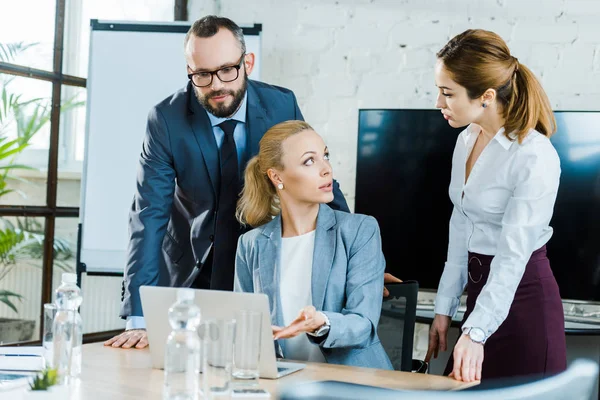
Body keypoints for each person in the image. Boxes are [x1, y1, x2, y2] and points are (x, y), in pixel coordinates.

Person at [104, 16, 350, 350]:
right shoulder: (166, 119)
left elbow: (315, 178)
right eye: (202, 75)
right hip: (192, 266)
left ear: (247, 63)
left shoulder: (281, 104)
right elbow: (148, 215)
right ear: (190, 71)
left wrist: (356, 261)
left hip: (260, 264)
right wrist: (139, 317)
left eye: (227, 70)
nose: (216, 85)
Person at [425, 29, 566, 382]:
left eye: (447, 93)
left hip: (523, 302)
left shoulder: (534, 156)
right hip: (480, 299)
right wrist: (444, 308)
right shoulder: (467, 139)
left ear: (486, 96)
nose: (439, 103)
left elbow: (512, 256)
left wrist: (475, 332)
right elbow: (461, 226)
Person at [234, 120, 393, 369]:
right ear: (276, 176)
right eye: (310, 160)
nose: (326, 169)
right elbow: (243, 326)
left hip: (353, 383)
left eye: (325, 156)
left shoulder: (360, 230)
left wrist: (322, 323)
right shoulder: (250, 245)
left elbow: (364, 323)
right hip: (284, 384)